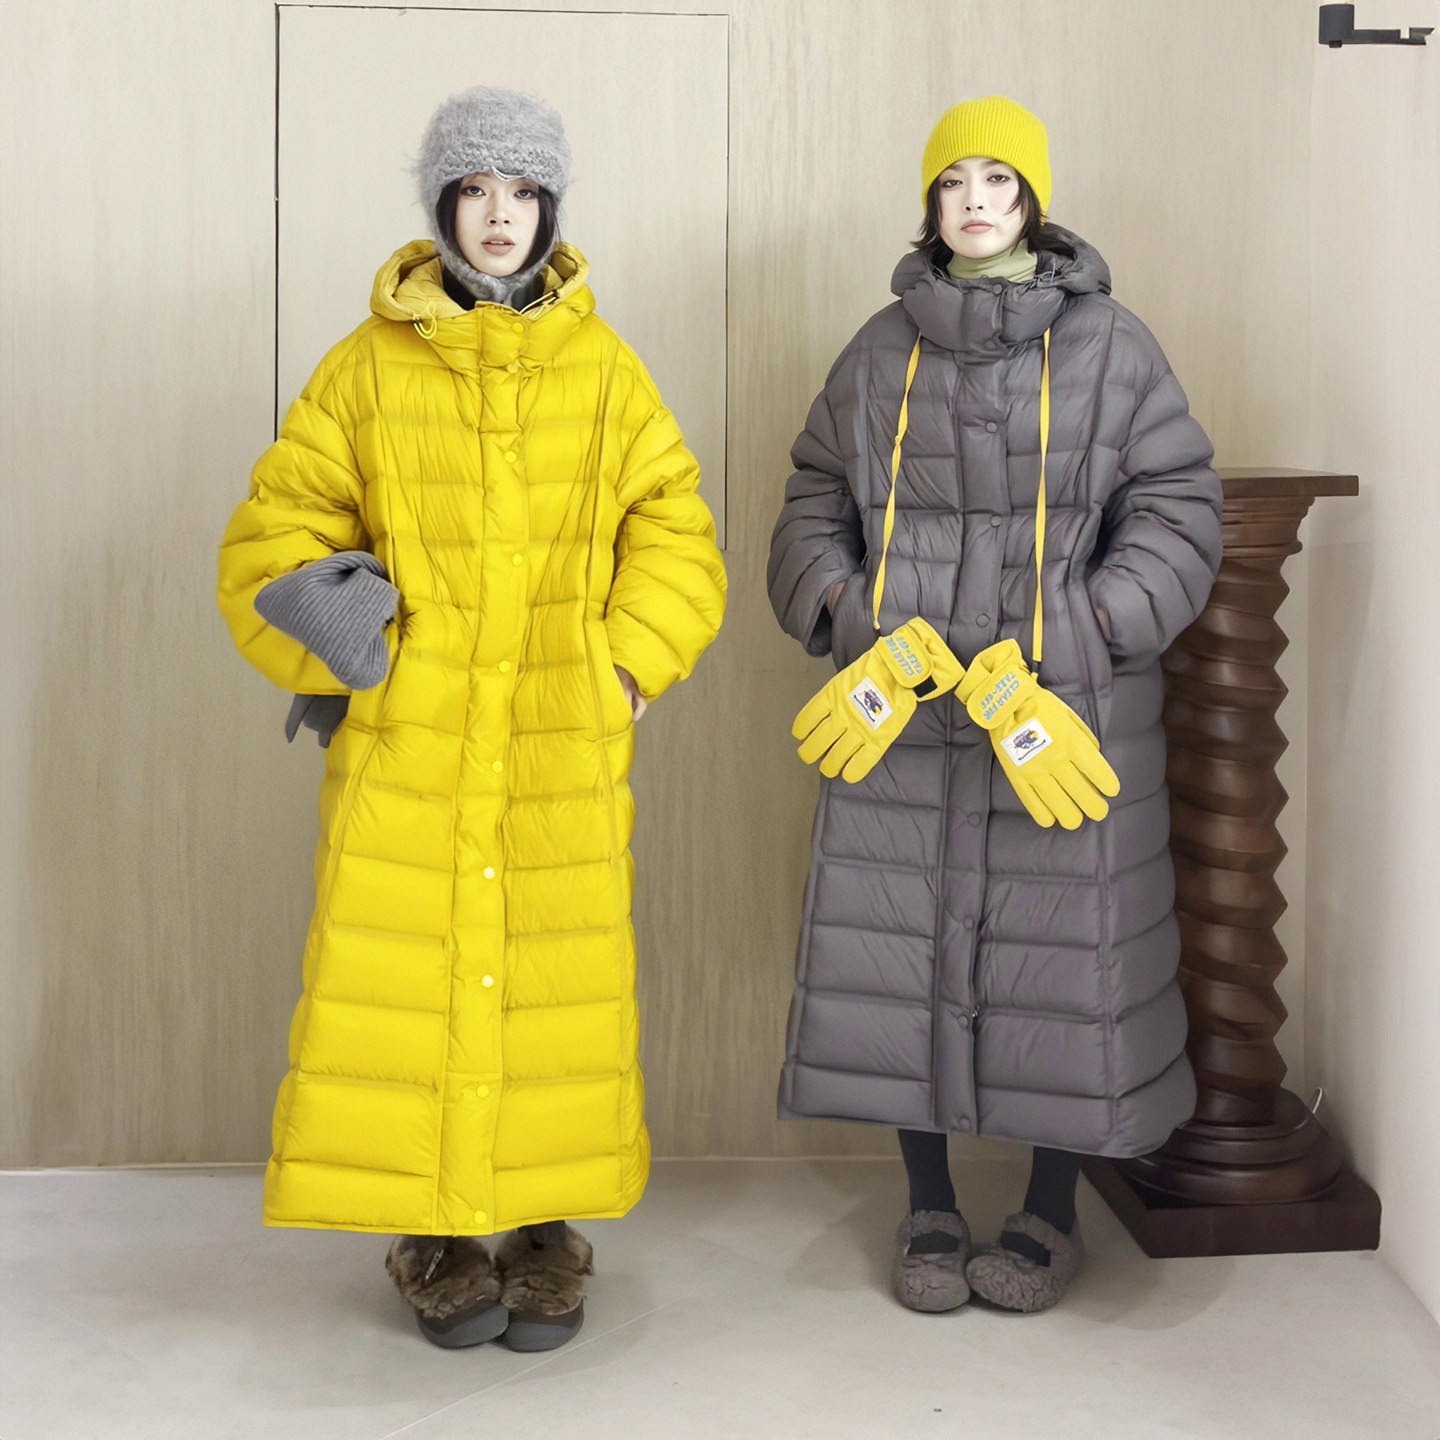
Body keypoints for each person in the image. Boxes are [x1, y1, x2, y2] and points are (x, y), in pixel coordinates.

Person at [218, 85, 725, 1350]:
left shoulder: (605, 372)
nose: (501, 216)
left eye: (524, 192)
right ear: (442, 204)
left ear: (552, 209)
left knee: (555, 987)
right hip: (413, 743)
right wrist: (361, 644)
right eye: (477, 190)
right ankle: (432, 1234)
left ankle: (545, 1229)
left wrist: (623, 668)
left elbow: (674, 526)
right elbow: (276, 532)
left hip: (556, 737)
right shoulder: (363, 369)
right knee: (408, 981)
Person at [767, 95, 1221, 1314]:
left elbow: (1178, 513)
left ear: (1033, 202)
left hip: (1055, 716)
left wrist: (1078, 638)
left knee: (1055, 965)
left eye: (1000, 181)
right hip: (903, 715)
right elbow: (812, 500)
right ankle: (927, 1205)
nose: (975, 201)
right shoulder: (880, 350)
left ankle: (1048, 1213)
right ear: (930, 203)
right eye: (954, 181)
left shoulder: (1114, 347)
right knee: (902, 954)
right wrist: (852, 623)